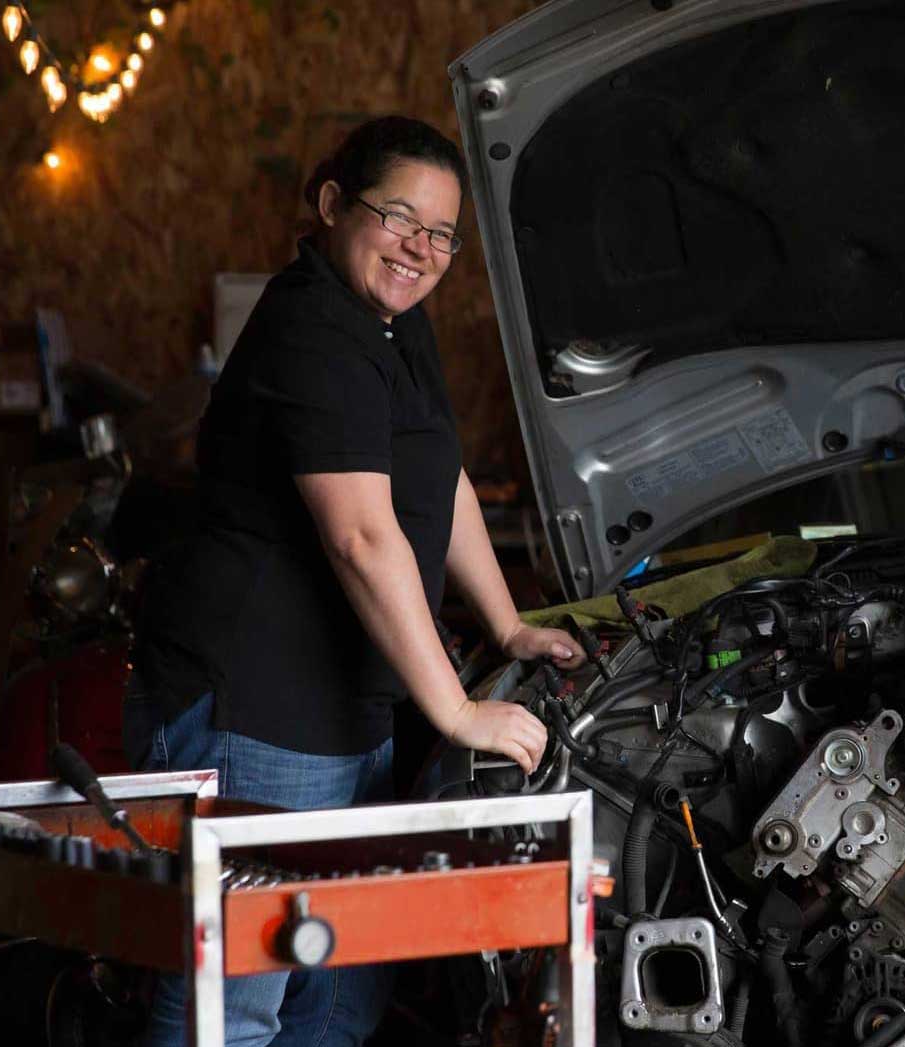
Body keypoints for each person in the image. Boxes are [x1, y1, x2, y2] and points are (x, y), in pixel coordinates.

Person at [124, 115, 582, 1046]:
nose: (420, 248)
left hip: (352, 710)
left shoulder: (394, 324)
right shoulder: (313, 329)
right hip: (256, 711)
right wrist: (458, 710)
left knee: (338, 999)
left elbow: (440, 475)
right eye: (398, 217)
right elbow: (363, 537)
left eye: (441, 234)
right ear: (334, 205)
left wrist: (507, 625)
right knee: (236, 999)